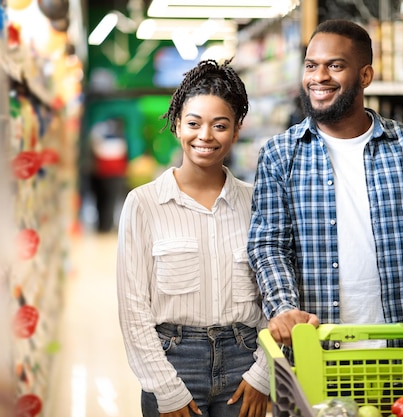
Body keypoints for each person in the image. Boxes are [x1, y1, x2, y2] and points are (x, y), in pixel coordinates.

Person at [247, 19, 403, 349]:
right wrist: (283, 308)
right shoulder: (280, 154)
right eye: (311, 66)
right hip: (317, 351)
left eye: (335, 65)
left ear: (365, 75)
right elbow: (269, 244)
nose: (319, 77)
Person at [117, 59, 269, 417]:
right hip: (173, 361)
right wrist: (164, 388)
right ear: (176, 125)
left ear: (236, 130)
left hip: (245, 361)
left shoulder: (257, 202)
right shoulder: (143, 205)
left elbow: (274, 296)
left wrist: (264, 373)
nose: (205, 136)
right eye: (194, 123)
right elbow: (132, 307)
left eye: (220, 125)